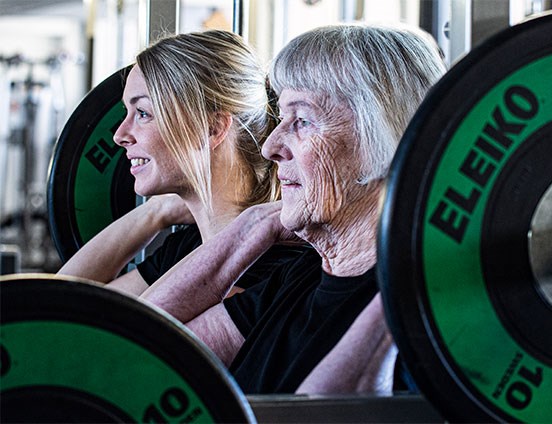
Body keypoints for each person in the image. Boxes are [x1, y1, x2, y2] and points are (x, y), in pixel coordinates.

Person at [140, 23, 447, 394]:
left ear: (383, 139)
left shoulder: (424, 307)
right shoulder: (299, 275)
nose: (271, 145)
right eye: (281, 118)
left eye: (302, 121)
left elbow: (325, 412)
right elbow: (138, 352)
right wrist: (253, 225)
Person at [57, 30, 305, 295]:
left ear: (213, 129)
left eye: (142, 113)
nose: (119, 135)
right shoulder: (186, 247)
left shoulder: (264, 269)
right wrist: (155, 212)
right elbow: (56, 308)